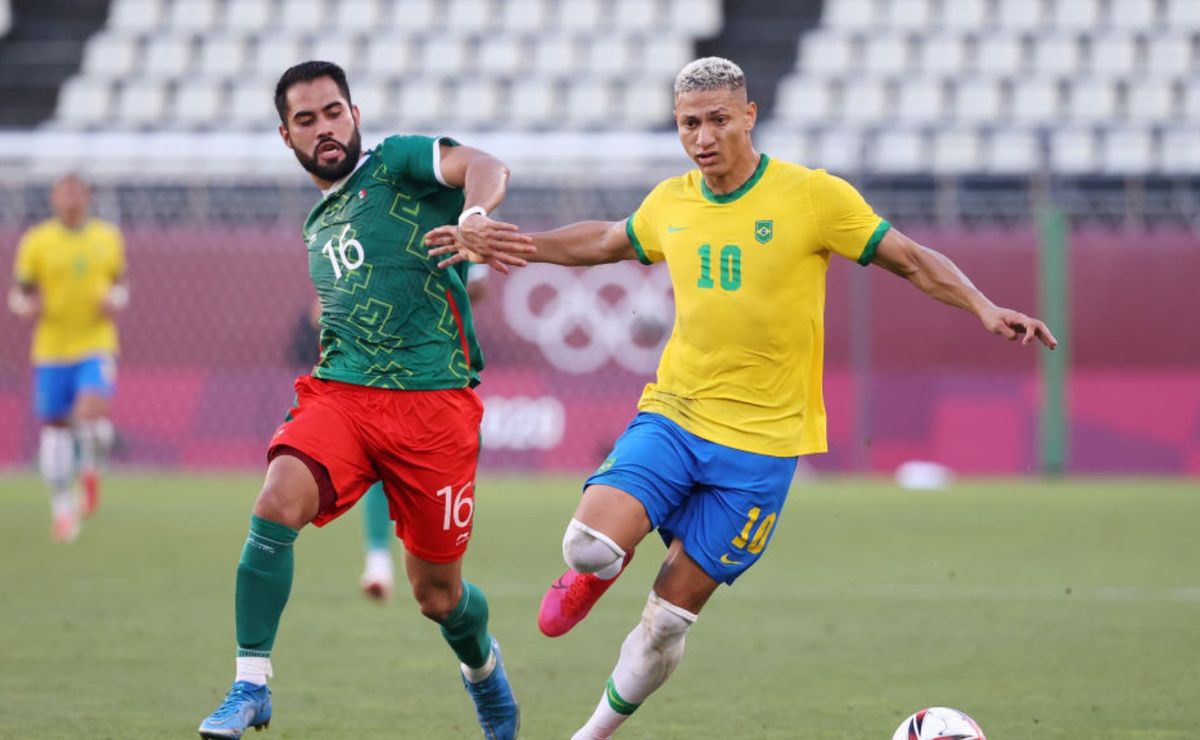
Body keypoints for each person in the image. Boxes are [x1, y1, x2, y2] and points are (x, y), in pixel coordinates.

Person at [428, 57, 1058, 740]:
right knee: (585, 547)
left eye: (717, 120)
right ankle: (599, 572)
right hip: (676, 413)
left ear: (749, 116)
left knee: (667, 623)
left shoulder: (813, 197)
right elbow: (609, 242)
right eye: (688, 124)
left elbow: (907, 258)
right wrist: (513, 244)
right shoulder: (672, 201)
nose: (703, 136)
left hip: (763, 446)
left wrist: (983, 305)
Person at [197, 61, 529, 740]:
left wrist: (472, 215)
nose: (325, 128)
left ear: (354, 112)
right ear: (285, 136)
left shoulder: (399, 163)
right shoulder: (317, 225)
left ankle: (483, 671)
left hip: (434, 408)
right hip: (344, 395)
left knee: (438, 597)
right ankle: (250, 684)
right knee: (274, 502)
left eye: (334, 111)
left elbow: (486, 165)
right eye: (306, 120)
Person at [8, 174, 127, 543]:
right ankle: (62, 508)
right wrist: (26, 306)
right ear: (54, 198)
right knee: (56, 429)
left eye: (77, 191)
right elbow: (20, 293)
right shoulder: (37, 241)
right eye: (64, 192)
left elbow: (120, 285)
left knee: (92, 412)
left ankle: (90, 469)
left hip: (95, 342)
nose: (71, 198)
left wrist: (115, 300)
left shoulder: (107, 238)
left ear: (88, 196)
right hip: (52, 348)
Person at [359, 266, 488, 602]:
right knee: (376, 454)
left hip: (439, 368)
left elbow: (478, 286)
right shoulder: (371, 217)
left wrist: (423, 291)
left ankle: (442, 567)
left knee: (441, 475)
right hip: (382, 361)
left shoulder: (463, 216)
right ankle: (378, 560)